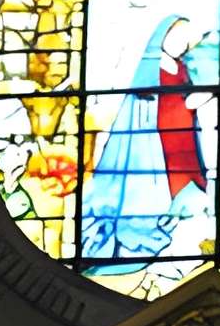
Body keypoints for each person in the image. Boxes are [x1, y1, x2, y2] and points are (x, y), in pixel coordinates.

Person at [81, 18, 211, 264]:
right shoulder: (149, 64)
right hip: (154, 141)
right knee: (166, 189)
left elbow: (184, 100)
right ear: (164, 34)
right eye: (178, 38)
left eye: (186, 42)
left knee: (189, 186)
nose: (182, 45)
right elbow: (145, 102)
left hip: (183, 139)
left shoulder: (182, 68)